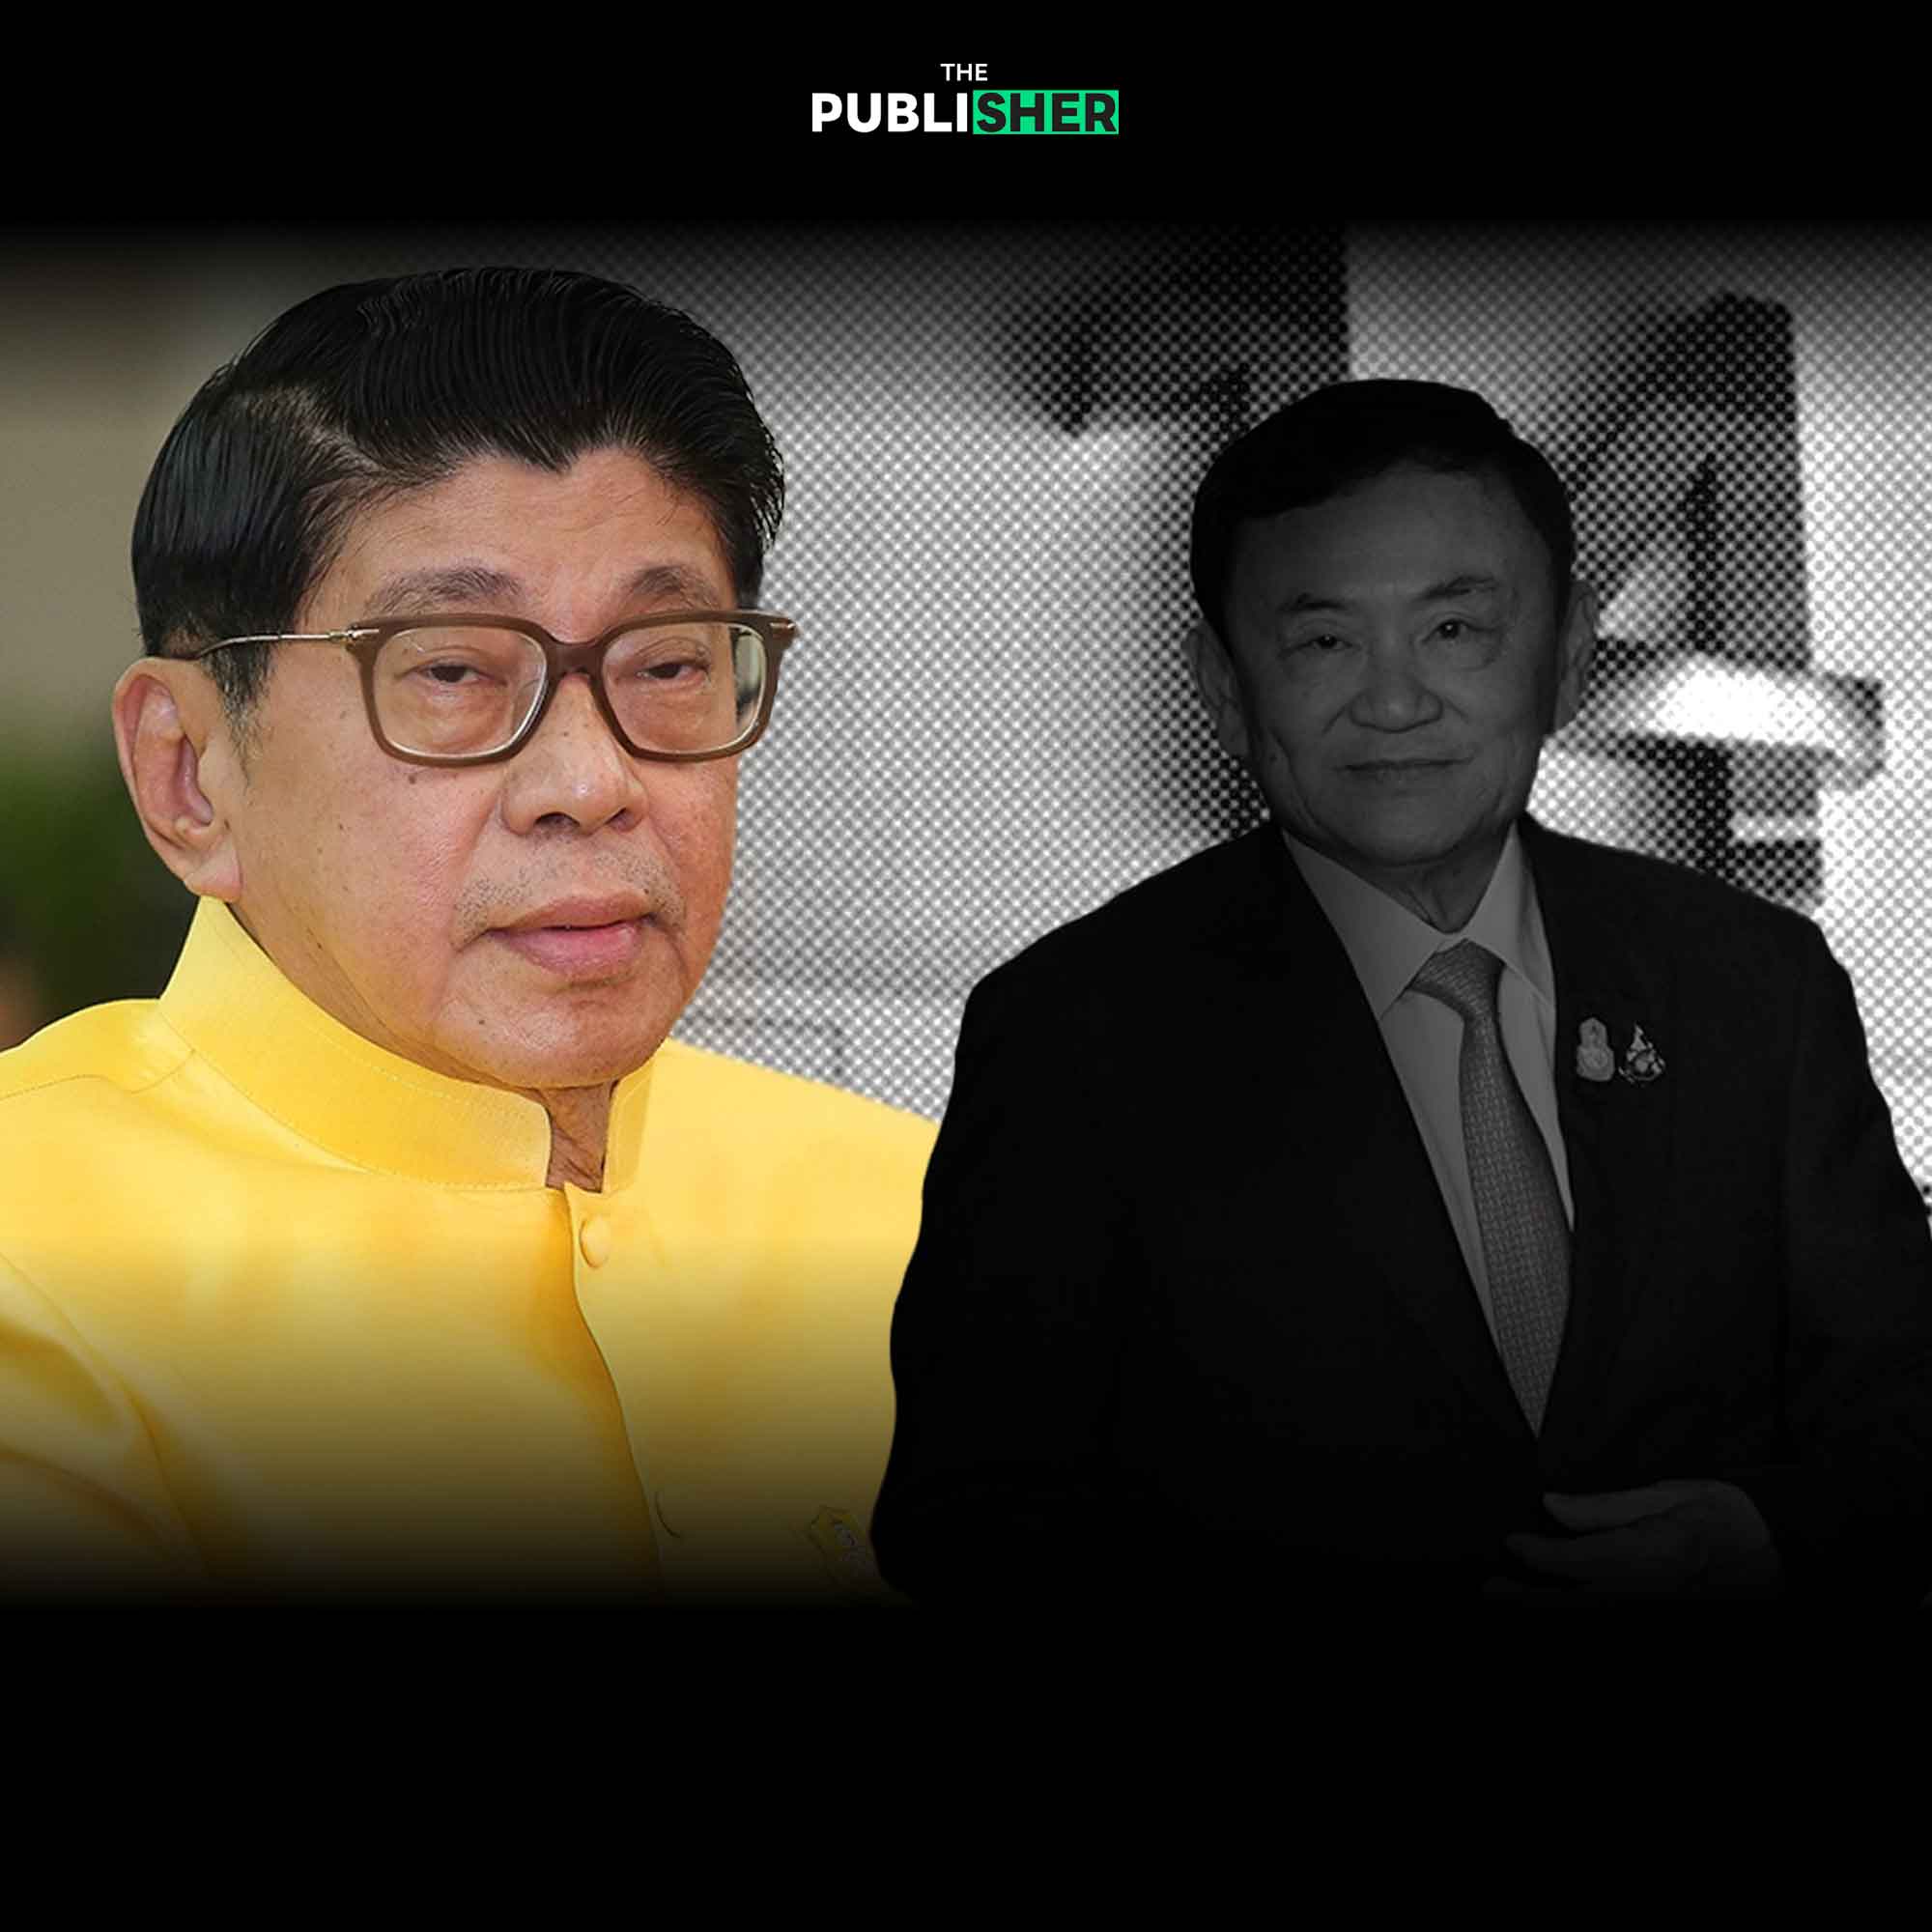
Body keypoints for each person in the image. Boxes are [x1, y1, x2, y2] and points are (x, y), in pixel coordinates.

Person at [875, 378, 1932, 1609]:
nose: (1392, 702)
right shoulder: (1071, 1033)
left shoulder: (1754, 984)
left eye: (1454, 629)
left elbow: (1903, 1414)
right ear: (1223, 684)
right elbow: (967, 1524)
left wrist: (1768, 1538)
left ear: (1565, 656)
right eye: (1323, 640)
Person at [0, 267, 934, 1605]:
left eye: (669, 663)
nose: (591, 780)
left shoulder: (922, 1212)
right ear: (188, 773)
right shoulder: (34, 1257)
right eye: (451, 672)